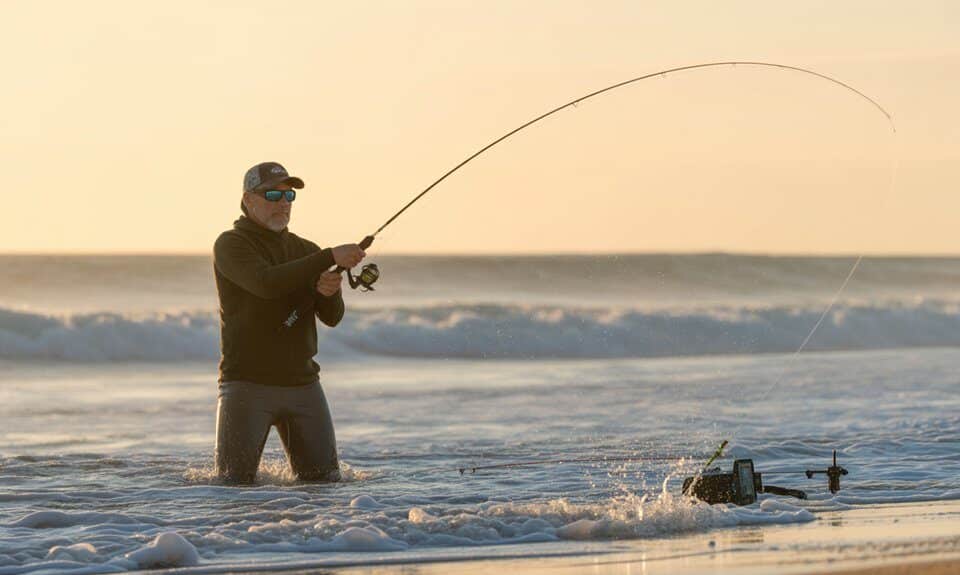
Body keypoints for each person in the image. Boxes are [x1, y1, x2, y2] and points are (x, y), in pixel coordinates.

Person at [211, 161, 364, 484]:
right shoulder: (231, 245)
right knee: (232, 488)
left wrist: (327, 291)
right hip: (247, 386)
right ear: (249, 199)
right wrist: (328, 257)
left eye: (289, 196)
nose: (282, 203)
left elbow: (332, 317)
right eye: (272, 194)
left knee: (325, 484)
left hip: (304, 386)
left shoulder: (305, 250)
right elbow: (265, 283)